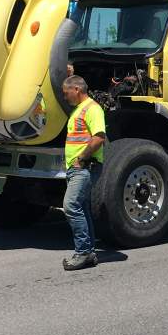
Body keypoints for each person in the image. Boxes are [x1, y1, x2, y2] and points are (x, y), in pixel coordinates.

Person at [60, 75, 106, 270]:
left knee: (71, 206)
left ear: (77, 90)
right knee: (82, 208)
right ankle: (89, 252)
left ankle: (83, 252)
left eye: (66, 92)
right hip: (76, 168)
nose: (65, 97)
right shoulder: (78, 109)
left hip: (85, 167)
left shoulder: (92, 109)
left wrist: (82, 158)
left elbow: (99, 137)